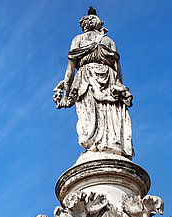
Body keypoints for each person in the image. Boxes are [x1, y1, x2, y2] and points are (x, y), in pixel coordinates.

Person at [54, 8, 134, 157]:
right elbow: (118, 73)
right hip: (109, 80)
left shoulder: (78, 40)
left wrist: (66, 94)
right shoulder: (109, 41)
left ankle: (94, 146)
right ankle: (111, 143)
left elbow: (70, 71)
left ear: (85, 25)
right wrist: (119, 87)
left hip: (87, 79)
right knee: (109, 113)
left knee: (88, 115)